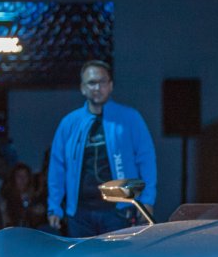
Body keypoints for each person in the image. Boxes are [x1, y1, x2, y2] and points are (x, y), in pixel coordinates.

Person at [47, 60, 157, 237]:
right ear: (82, 88)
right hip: (79, 213)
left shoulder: (129, 118)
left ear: (110, 85)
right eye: (91, 83)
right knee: (82, 255)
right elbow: (57, 167)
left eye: (102, 82)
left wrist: (147, 200)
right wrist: (54, 207)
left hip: (119, 211)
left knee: (118, 255)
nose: (97, 88)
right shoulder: (70, 123)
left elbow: (146, 159)